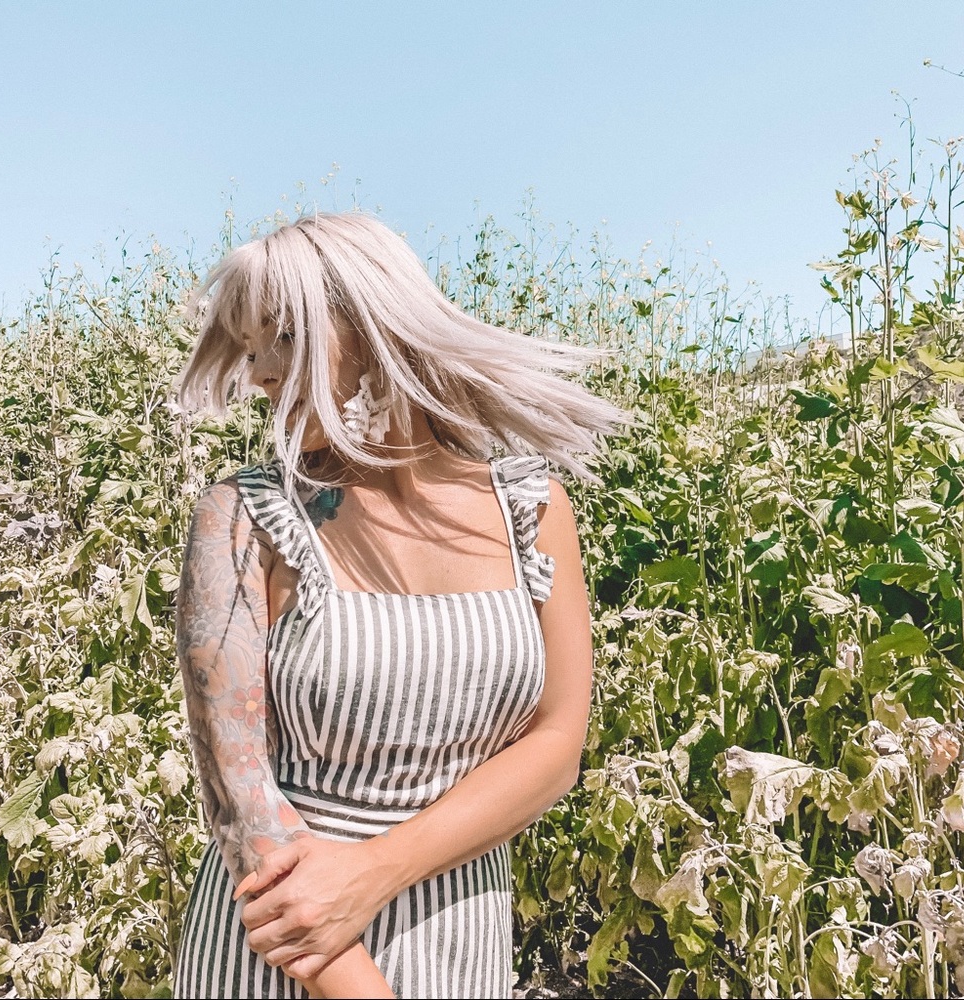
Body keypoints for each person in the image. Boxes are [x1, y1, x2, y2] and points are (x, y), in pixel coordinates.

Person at [171, 212, 626, 999]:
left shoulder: (533, 509)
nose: (260, 375)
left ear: (370, 323)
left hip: (458, 935)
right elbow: (239, 803)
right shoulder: (242, 517)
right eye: (249, 350)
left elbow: (557, 745)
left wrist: (377, 871)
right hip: (285, 952)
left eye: (281, 337)